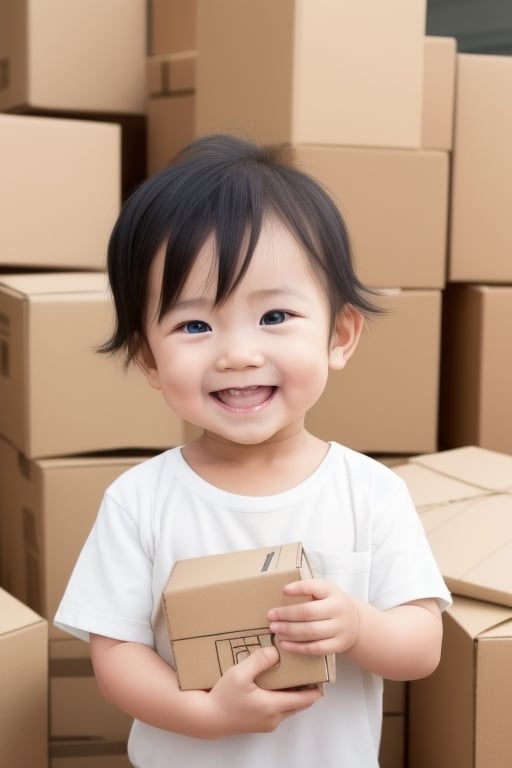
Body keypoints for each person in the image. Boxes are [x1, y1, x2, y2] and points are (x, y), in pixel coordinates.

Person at [54, 134, 451, 768]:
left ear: (340, 335)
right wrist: (203, 716)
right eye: (194, 325)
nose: (237, 353)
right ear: (150, 360)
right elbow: (116, 654)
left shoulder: (369, 491)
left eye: (273, 318)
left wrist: (357, 624)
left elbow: (422, 644)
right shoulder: (139, 501)